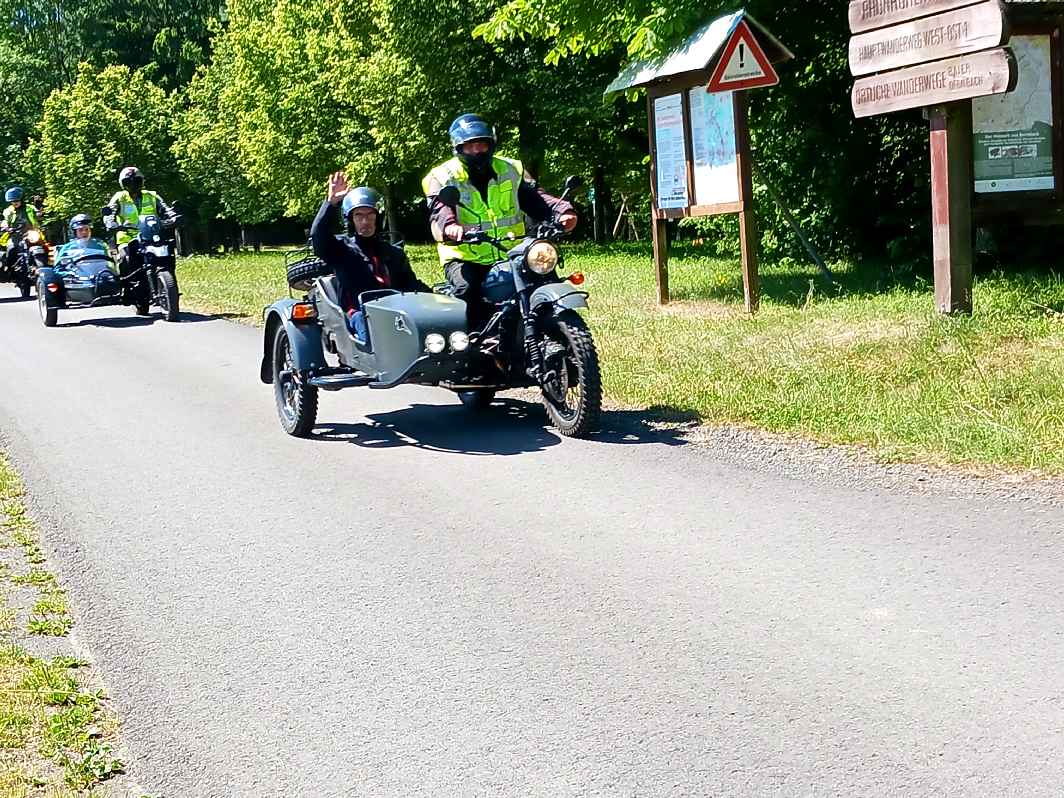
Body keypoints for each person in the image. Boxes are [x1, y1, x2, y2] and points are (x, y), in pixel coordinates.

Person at [421, 113, 577, 328]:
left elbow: (536, 198)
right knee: (466, 290)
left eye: (482, 145)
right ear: (458, 148)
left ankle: (554, 328)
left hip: (512, 251)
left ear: (491, 144)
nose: (477, 151)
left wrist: (562, 211)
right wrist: (450, 227)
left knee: (544, 274)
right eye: (470, 146)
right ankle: (469, 343)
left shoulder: (511, 169)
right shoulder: (442, 176)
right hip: (466, 255)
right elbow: (439, 210)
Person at [311, 171, 429, 338]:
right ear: (351, 220)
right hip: (359, 314)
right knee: (367, 327)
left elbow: (410, 284)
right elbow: (318, 237)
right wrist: (330, 203)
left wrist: (436, 298)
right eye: (359, 216)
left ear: (377, 218)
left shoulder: (393, 253)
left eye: (370, 215)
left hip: (395, 313)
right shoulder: (341, 250)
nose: (365, 221)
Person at [104, 166, 177, 274]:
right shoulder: (119, 197)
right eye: (128, 182)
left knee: (168, 254)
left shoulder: (152, 196)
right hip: (128, 239)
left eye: (136, 181)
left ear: (142, 181)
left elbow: (166, 209)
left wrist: (174, 217)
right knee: (125, 259)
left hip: (152, 237)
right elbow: (110, 212)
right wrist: (110, 223)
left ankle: (168, 279)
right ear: (123, 184)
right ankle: (127, 284)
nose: (133, 184)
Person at [1, 187, 41, 271]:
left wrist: (39, 210)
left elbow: (38, 213)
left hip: (30, 234)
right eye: (12, 201)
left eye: (16, 200)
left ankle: (46, 267)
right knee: (11, 249)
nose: (14, 203)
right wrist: (6, 227)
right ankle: (8, 269)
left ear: (22, 199)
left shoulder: (30, 207)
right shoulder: (8, 211)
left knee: (43, 247)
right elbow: (5, 220)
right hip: (15, 235)